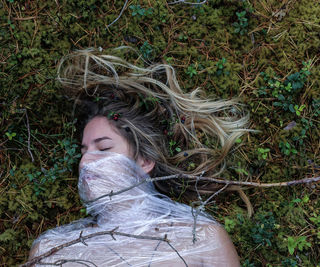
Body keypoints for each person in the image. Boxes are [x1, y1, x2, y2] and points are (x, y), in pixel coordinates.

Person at [28, 47, 248, 266]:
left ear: (145, 161)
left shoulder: (202, 240)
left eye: (104, 149)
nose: (85, 163)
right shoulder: (51, 250)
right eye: (83, 151)